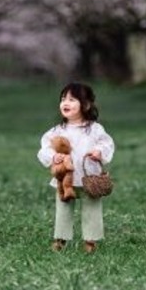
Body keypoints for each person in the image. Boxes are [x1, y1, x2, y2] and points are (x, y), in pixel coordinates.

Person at [37, 82, 115, 254]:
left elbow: (107, 143)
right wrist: (53, 156)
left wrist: (99, 151)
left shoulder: (94, 129)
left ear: (85, 105)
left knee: (92, 208)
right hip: (64, 179)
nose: (66, 103)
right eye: (63, 99)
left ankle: (90, 240)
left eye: (72, 99)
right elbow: (45, 147)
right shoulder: (58, 130)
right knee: (63, 208)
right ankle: (61, 238)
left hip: (89, 178)